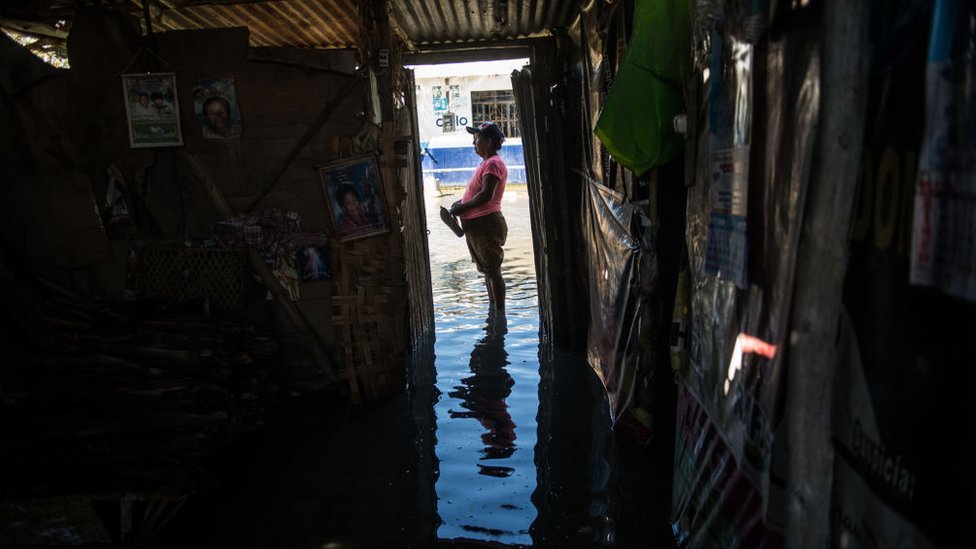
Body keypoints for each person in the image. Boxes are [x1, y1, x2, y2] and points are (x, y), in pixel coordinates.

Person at [449, 121, 508, 311]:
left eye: (478, 138)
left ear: (489, 141)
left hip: (486, 224)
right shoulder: (487, 163)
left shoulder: (493, 163)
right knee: (487, 270)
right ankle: (494, 312)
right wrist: (461, 204)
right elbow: (477, 193)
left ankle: (499, 316)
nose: (474, 142)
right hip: (478, 226)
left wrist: (462, 207)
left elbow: (486, 195)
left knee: (493, 270)